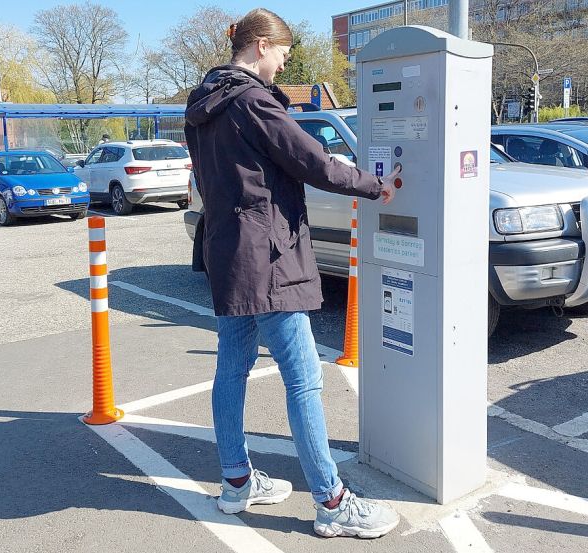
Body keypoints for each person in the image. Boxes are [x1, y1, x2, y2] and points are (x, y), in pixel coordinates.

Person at [184, 8, 402, 539]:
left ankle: (237, 481)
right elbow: (312, 160)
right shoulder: (252, 101)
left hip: (230, 253)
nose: (283, 65)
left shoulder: (203, 104)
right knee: (304, 381)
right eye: (281, 54)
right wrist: (376, 185)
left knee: (230, 371)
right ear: (260, 46)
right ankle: (331, 501)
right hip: (270, 260)